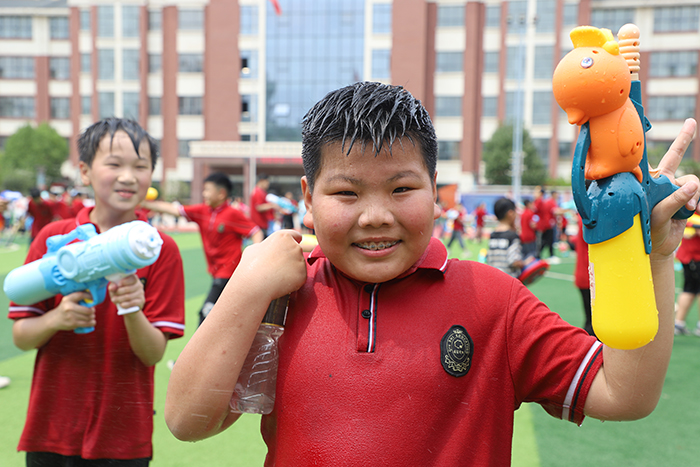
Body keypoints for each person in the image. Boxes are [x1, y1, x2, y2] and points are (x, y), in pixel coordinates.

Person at [163, 82, 699, 466]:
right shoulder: (282, 297)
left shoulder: (492, 299)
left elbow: (625, 394)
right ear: (307, 198)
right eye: (346, 193)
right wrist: (248, 284)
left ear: (435, 192)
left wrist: (648, 256)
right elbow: (188, 421)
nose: (376, 215)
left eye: (401, 189)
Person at [8, 118, 186, 466]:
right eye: (114, 164)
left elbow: (152, 354)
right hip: (52, 429)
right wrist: (56, 319)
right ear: (85, 172)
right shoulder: (54, 239)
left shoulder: (159, 249)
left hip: (123, 435)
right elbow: (21, 335)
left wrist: (133, 309)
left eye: (141, 166)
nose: (128, 176)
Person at [142, 171, 263, 325]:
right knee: (225, 317)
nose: (204, 193)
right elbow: (174, 210)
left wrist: (253, 255)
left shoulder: (233, 214)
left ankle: (201, 349)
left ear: (221, 194)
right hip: (216, 273)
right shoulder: (202, 211)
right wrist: (142, 203)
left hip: (229, 274)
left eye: (207, 190)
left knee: (205, 314)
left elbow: (256, 231)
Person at [673, 212, 700, 336]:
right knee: (690, 289)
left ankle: (679, 323)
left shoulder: (688, 214)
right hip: (693, 258)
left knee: (689, 289)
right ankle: (679, 323)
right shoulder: (691, 216)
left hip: (689, 258)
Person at [487, 197, 525, 278]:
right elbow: (514, 261)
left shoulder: (493, 235)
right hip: (508, 281)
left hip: (494, 279)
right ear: (510, 213)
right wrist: (524, 263)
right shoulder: (512, 236)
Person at [574, 214, 595, 336]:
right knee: (593, 323)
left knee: (590, 320)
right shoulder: (588, 220)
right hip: (590, 277)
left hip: (585, 275)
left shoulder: (583, 218)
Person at [250, 173, 278, 237]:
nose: (268, 184)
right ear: (262, 181)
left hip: (263, 224)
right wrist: (272, 205)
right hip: (259, 224)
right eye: (267, 182)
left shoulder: (262, 192)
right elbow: (259, 207)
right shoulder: (258, 192)